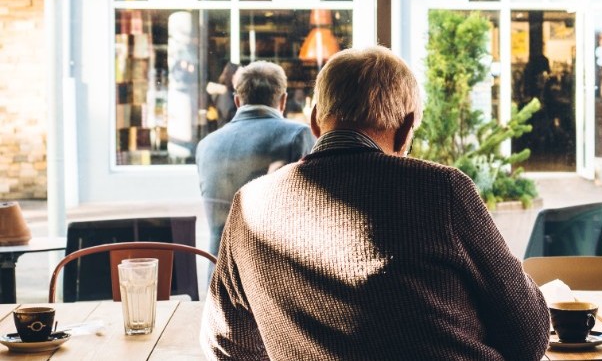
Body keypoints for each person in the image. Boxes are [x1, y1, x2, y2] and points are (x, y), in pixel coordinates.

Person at [201, 46, 550, 361]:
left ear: (315, 121)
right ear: (406, 129)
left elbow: (227, 345)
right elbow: (529, 338)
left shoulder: (249, 205)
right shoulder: (441, 190)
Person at [195, 61, 315, 256]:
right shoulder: (297, 136)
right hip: (270, 274)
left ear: (237, 101)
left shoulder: (206, 145)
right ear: (283, 101)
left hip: (217, 274)